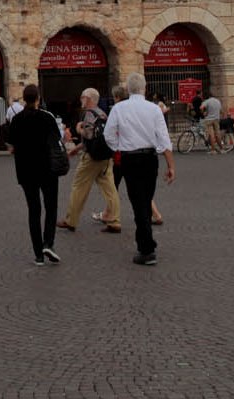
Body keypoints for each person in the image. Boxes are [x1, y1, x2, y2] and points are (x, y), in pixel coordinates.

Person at [103, 73, 175, 266]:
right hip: (150, 158)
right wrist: (171, 165)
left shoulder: (119, 108)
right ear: (145, 87)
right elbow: (163, 137)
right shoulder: (154, 109)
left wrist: (119, 146)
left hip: (130, 158)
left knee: (138, 202)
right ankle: (147, 242)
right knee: (146, 197)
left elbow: (108, 134)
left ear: (128, 89)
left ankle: (147, 249)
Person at [5, 84, 62, 266]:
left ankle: (38, 254)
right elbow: (57, 140)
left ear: (24, 98)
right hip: (47, 169)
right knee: (51, 207)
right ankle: (48, 243)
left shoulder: (17, 120)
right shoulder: (47, 118)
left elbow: (11, 145)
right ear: (38, 98)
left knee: (34, 210)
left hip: (26, 171)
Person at [57, 87, 120, 234]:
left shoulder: (88, 115)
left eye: (82, 97)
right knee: (110, 189)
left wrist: (79, 130)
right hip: (105, 157)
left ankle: (71, 220)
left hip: (91, 158)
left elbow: (89, 136)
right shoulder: (103, 114)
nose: (80, 100)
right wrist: (76, 149)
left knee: (79, 187)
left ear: (88, 99)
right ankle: (115, 220)